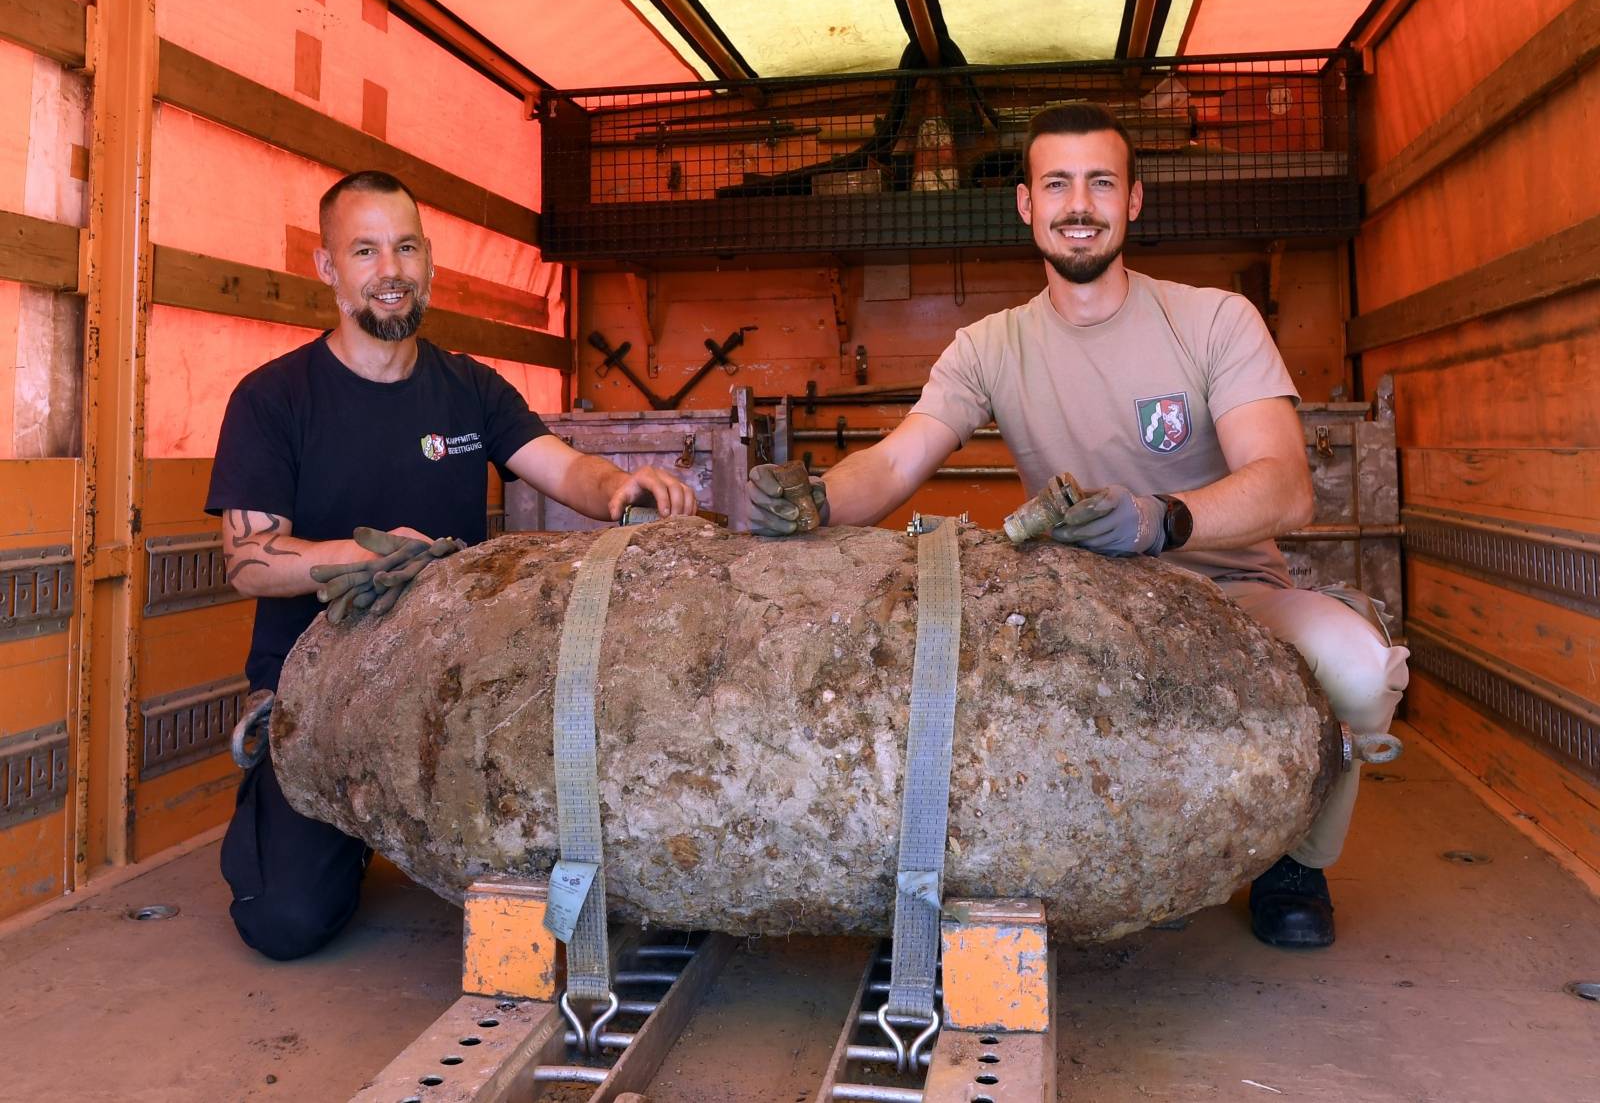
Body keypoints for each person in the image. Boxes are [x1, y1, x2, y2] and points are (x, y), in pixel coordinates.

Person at [747, 104, 1408, 949]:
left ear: (1134, 201)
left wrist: (1160, 520)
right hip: (1080, 610)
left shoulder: (1214, 321)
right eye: (1057, 183)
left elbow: (1286, 487)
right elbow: (897, 461)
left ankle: (1297, 860)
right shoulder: (989, 345)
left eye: (1101, 182)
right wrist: (818, 502)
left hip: (1235, 594)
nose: (1079, 202)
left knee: (1358, 670)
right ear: (1027, 205)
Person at [206, 170, 697, 961]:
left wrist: (618, 485)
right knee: (285, 921)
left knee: (562, 887)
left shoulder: (470, 389)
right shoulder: (273, 398)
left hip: (457, 694)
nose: (389, 268)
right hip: (323, 696)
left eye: (405, 246)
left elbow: (564, 468)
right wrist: (370, 557)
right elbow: (249, 562)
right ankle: (301, 812)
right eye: (364, 250)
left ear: (428, 261)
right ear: (329, 268)